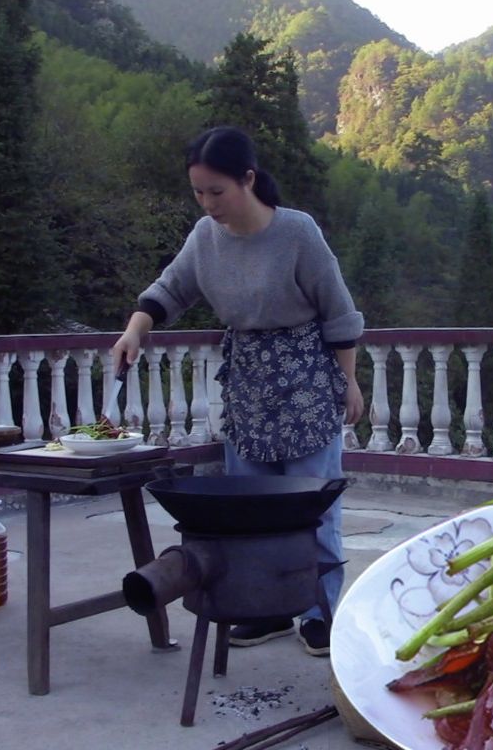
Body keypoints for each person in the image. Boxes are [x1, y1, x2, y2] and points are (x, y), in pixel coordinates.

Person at [112, 126, 364, 657]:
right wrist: (136, 328)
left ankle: (320, 612)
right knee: (251, 505)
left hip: (306, 378)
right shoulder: (205, 238)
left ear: (248, 179)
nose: (207, 204)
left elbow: (338, 314)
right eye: (198, 192)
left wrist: (349, 384)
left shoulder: (297, 233)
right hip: (247, 380)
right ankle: (267, 609)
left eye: (217, 192)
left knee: (313, 506)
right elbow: (169, 290)